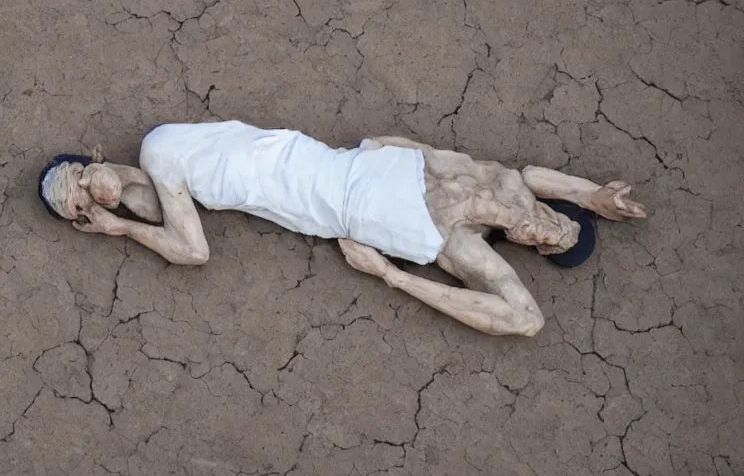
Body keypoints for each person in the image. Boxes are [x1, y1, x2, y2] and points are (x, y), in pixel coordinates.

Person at [38, 120, 646, 337]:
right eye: (552, 229)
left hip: (377, 208)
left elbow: (526, 319)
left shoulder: (458, 247)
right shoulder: (508, 179)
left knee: (522, 315)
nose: (538, 233)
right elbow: (537, 176)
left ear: (525, 249)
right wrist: (590, 194)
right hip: (378, 167)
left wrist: (392, 277)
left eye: (543, 245)